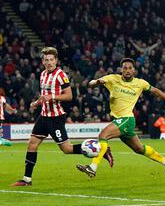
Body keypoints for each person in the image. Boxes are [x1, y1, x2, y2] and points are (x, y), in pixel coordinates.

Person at [10, 47, 107, 187]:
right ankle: (26, 179)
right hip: (44, 116)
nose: (49, 62)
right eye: (46, 60)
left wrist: (53, 97)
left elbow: (69, 96)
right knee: (32, 144)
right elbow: (45, 95)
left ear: (56, 60)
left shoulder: (61, 75)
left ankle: (96, 149)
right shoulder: (43, 74)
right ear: (43, 61)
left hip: (56, 117)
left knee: (66, 149)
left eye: (51, 60)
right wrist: (37, 103)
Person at [76, 58, 165, 179]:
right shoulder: (113, 78)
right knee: (139, 149)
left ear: (134, 70)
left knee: (103, 136)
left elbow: (156, 91)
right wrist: (95, 82)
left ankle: (92, 167)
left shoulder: (140, 83)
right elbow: (93, 82)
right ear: (121, 70)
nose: (127, 70)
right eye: (125, 68)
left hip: (127, 119)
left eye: (130, 68)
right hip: (119, 120)